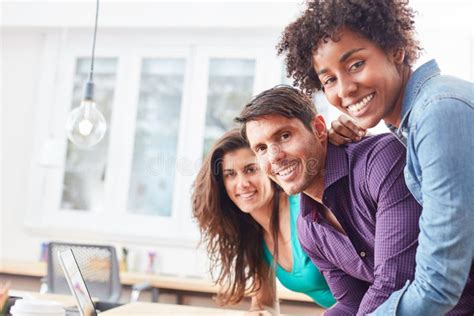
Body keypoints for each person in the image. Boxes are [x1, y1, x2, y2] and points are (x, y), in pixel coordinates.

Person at [276, 0, 474, 314]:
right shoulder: (414, 123)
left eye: (355, 64)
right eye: (329, 80)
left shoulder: (439, 111)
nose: (345, 90)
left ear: (395, 49)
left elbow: (438, 284)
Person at [235, 85, 423, 315]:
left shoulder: (380, 161)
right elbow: (351, 303)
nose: (275, 157)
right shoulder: (307, 228)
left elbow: (394, 282)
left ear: (319, 129)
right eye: (261, 148)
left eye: (284, 136)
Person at [191, 128, 335, 315]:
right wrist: (260, 312)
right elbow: (265, 304)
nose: (242, 184)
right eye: (230, 174)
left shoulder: (304, 206)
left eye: (250, 170)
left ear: (269, 168)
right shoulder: (254, 236)